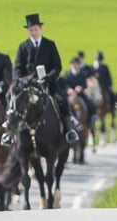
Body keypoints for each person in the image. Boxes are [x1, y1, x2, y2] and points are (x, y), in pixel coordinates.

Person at [8, 13, 79, 145]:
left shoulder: (50, 44)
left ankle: (69, 130)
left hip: (48, 84)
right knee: (14, 102)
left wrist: (48, 77)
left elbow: (57, 66)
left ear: (40, 29)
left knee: (61, 100)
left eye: (35, 29)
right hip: (27, 86)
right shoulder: (23, 47)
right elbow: (17, 68)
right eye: (31, 30)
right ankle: (10, 133)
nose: (33, 32)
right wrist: (22, 80)